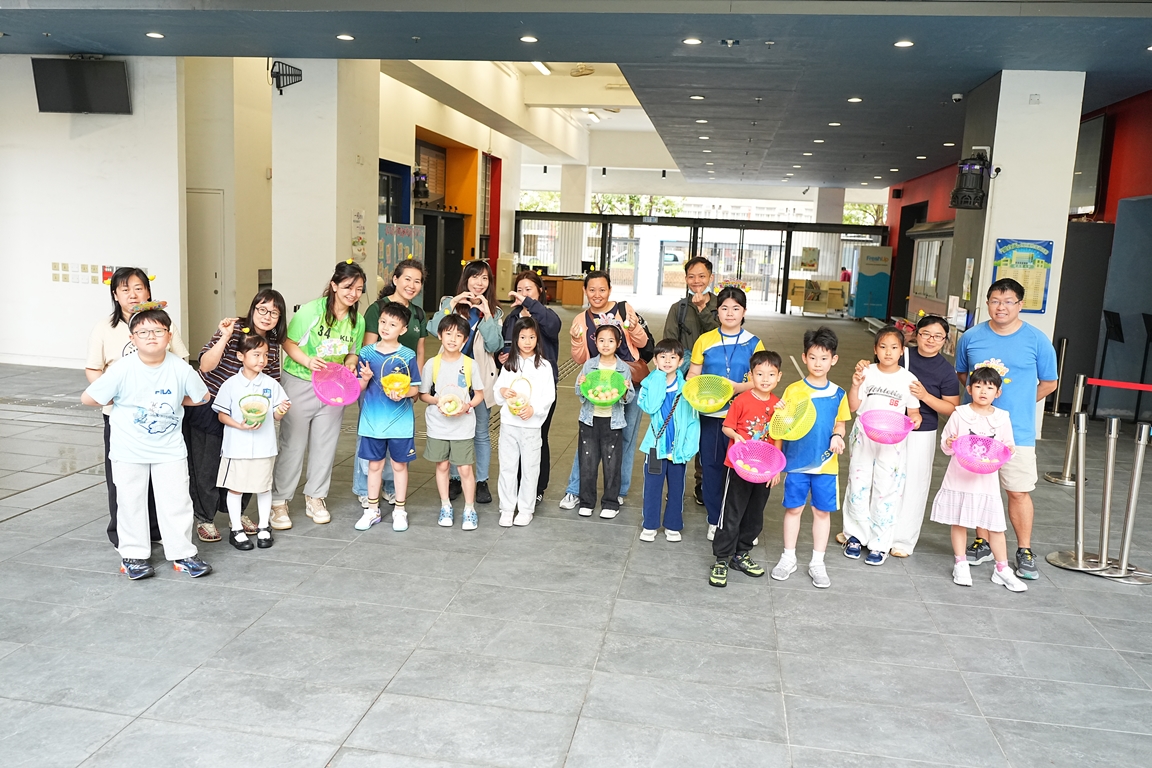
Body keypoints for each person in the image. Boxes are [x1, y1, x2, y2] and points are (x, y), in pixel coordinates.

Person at [81, 307, 212, 580]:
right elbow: (89, 398)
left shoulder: (180, 368)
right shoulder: (122, 368)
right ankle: (133, 556)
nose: (151, 336)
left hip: (169, 449)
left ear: (169, 335)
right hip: (128, 449)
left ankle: (183, 554)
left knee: (177, 501)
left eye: (158, 331)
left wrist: (175, 401)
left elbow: (202, 397)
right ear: (132, 338)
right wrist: (118, 399)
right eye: (143, 332)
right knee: (130, 502)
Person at [955, 277, 1058, 580]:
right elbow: (963, 375)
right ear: (987, 303)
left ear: (1020, 304)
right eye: (995, 301)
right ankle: (982, 542)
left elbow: (1049, 383)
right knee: (978, 488)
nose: (1001, 307)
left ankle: (1024, 549)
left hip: (1018, 430)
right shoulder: (971, 337)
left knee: (1018, 491)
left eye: (1008, 301)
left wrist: (1019, 405)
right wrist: (983, 406)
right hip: (976, 430)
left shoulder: (1037, 340)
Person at [86, 267, 189, 548]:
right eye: (125, 289)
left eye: (138, 288)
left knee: (163, 479)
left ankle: (156, 532)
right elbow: (93, 368)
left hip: (160, 416)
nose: (132, 295)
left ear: (148, 292)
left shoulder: (164, 323)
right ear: (115, 295)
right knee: (123, 482)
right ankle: (125, 537)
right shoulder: (105, 328)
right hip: (120, 417)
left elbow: (181, 361)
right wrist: (108, 396)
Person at [270, 261, 366, 529]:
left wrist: (350, 363)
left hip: (334, 387)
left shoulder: (357, 320)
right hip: (300, 381)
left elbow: (353, 351)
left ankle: (315, 497)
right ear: (334, 285)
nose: (353, 294)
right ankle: (279, 501)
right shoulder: (311, 311)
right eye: (347, 287)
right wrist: (307, 360)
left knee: (326, 443)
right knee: (293, 443)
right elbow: (287, 341)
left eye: (359, 289)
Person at [188, 289, 286, 543]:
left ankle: (237, 514)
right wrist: (225, 336)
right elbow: (205, 365)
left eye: (274, 313)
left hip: (247, 413)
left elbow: (272, 381)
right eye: (262, 309)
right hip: (210, 404)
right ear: (253, 308)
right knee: (207, 466)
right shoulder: (232, 329)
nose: (267, 316)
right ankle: (205, 518)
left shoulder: (272, 344)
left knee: (247, 462)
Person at [559, 271, 650, 510]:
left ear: (609, 290)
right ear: (585, 291)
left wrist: (634, 328)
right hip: (599, 388)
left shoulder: (624, 309)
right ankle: (575, 490)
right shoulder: (581, 319)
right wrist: (576, 340)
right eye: (592, 290)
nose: (597, 294)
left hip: (629, 382)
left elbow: (642, 343)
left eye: (602, 289)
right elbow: (580, 358)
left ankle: (618, 491)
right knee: (587, 441)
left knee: (626, 437)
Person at [931, 366, 1026, 592]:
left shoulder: (1002, 418)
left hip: (986, 480)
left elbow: (1008, 445)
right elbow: (946, 443)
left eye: (990, 387)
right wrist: (950, 443)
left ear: (998, 392)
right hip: (960, 476)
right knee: (959, 520)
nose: (983, 391)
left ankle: (1002, 569)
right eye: (978, 386)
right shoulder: (960, 414)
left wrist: (1009, 450)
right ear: (969, 389)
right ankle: (960, 563)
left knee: (995, 525)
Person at [773, 326, 851, 589]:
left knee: (821, 511)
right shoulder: (793, 391)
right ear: (804, 358)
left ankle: (818, 562)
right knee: (794, 508)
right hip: (796, 462)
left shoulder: (838, 393)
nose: (818, 363)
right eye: (813, 357)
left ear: (834, 360)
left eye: (824, 358)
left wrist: (837, 436)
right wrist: (779, 412)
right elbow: (782, 425)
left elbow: (840, 423)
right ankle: (788, 557)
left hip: (826, 465)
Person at [687, 285, 765, 541]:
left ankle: (741, 524)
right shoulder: (705, 340)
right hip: (711, 417)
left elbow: (762, 380)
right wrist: (694, 388)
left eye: (736, 308)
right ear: (717, 312)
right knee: (711, 468)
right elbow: (694, 374)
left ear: (744, 312)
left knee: (743, 471)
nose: (730, 313)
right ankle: (715, 519)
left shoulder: (754, 343)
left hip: (744, 421)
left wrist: (736, 388)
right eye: (724, 308)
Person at [841, 326, 922, 566]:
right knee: (858, 484)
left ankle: (880, 543)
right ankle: (855, 536)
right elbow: (853, 407)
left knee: (887, 489)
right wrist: (855, 384)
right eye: (883, 347)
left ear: (902, 351)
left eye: (894, 347)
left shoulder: (909, 379)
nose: (888, 352)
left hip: (892, 441)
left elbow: (914, 412)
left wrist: (915, 420)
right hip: (864, 436)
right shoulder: (867, 372)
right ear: (875, 349)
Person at [355, 259, 428, 509]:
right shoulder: (377, 309)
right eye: (407, 279)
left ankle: (392, 493)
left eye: (417, 281)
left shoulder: (418, 314)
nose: (411, 285)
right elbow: (369, 351)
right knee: (371, 442)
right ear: (395, 279)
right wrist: (366, 380)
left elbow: (420, 351)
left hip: (402, 389)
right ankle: (366, 491)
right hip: (374, 388)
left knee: (397, 450)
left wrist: (413, 388)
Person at [709, 350, 783, 588]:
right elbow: (726, 427)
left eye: (770, 374)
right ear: (751, 375)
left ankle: (741, 554)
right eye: (759, 374)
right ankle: (722, 558)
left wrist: (776, 469)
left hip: (764, 470)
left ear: (779, 376)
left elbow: (779, 436)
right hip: (738, 467)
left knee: (754, 514)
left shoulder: (778, 405)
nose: (765, 379)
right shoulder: (741, 400)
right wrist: (736, 436)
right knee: (731, 512)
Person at [212, 332, 291, 550]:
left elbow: (276, 415)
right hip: (236, 447)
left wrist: (282, 410)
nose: (262, 360)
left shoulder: (271, 384)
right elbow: (221, 415)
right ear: (241, 356)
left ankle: (264, 526)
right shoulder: (230, 384)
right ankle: (236, 529)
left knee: (263, 487)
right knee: (236, 488)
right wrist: (239, 425)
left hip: (264, 447)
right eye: (256, 354)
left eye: (265, 355)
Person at [435, 261, 504, 506]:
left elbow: (494, 345)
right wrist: (453, 304)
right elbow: (434, 329)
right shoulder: (449, 302)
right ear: (466, 280)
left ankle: (481, 480)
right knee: (454, 430)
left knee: (481, 433)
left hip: (481, 378)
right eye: (474, 277)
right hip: (452, 378)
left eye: (484, 278)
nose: (479, 283)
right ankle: (455, 478)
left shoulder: (495, 312)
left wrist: (487, 314)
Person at [355, 302, 420, 532]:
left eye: (393, 324)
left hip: (400, 422)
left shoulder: (407, 355)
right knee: (374, 465)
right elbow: (359, 387)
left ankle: (399, 510)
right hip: (372, 421)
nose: (385, 327)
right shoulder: (366, 353)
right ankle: (372, 510)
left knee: (399, 465)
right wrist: (364, 378)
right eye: (383, 322)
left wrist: (403, 392)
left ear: (403, 329)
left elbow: (415, 389)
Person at [419, 314, 487, 530]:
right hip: (438, 425)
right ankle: (445, 505)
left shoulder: (470, 364)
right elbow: (423, 394)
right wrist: (437, 401)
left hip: (463, 426)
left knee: (465, 468)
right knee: (442, 465)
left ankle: (469, 508)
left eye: (459, 335)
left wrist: (467, 406)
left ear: (465, 340)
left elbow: (479, 394)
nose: (453, 339)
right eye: (448, 334)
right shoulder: (432, 364)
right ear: (440, 335)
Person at [501, 271, 561, 502]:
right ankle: (516, 486)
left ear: (540, 292)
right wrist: (501, 356)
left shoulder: (547, 316)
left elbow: (553, 326)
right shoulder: (512, 318)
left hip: (541, 390)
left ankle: (536, 488)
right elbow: (506, 346)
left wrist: (529, 304)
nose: (523, 294)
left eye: (528, 290)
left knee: (538, 436)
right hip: (516, 389)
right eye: (520, 289)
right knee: (514, 438)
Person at [662, 256, 718, 507]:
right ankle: (675, 484)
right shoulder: (679, 308)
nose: (697, 281)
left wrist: (704, 310)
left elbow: (720, 336)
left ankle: (703, 483)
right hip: (685, 379)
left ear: (711, 278)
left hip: (714, 379)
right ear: (685, 279)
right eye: (692, 276)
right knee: (681, 428)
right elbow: (669, 344)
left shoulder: (721, 306)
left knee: (707, 432)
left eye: (702, 276)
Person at [494, 317, 557, 527]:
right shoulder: (510, 364)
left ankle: (526, 509)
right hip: (509, 424)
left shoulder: (544, 366)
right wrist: (503, 391)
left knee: (530, 468)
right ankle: (506, 508)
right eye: (522, 337)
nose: (527, 342)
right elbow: (498, 391)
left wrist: (533, 410)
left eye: (531, 337)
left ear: (537, 339)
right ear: (516, 339)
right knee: (508, 467)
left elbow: (549, 396)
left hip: (531, 426)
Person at [637, 339, 699, 543]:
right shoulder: (648, 384)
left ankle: (673, 525)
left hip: (678, 449)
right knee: (652, 488)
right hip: (656, 446)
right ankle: (650, 524)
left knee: (676, 489)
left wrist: (689, 448)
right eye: (662, 357)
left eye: (673, 357)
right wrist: (658, 378)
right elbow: (651, 407)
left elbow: (693, 420)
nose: (667, 361)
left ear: (681, 362)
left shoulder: (687, 389)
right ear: (655, 360)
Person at [574, 324, 636, 519]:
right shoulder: (589, 365)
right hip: (589, 420)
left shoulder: (623, 368)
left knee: (612, 464)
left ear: (618, 343)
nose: (606, 344)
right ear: (595, 342)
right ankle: (586, 502)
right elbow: (579, 392)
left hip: (613, 422)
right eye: (601, 340)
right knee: (587, 462)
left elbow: (629, 397)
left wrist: (625, 390)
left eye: (610, 341)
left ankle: (610, 502)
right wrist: (581, 384)